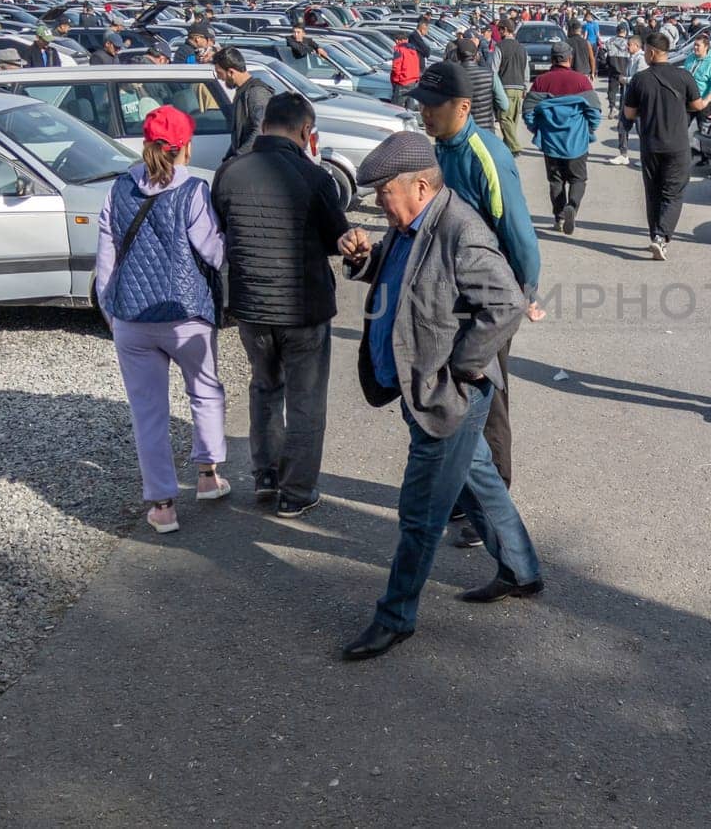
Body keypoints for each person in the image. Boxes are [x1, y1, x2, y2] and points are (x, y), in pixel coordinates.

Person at [335, 132, 541, 661]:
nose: (378, 202)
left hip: (446, 397)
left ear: (421, 185)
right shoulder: (410, 226)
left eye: (384, 192)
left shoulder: (460, 231)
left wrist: (463, 369)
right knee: (483, 484)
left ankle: (395, 617)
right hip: (421, 388)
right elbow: (397, 276)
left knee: (419, 514)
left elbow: (507, 304)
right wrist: (362, 259)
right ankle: (521, 570)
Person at [410, 60, 543, 547]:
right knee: (453, 396)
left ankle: (493, 502)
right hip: (450, 296)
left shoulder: (485, 155)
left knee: (488, 401)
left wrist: (525, 294)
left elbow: (520, 234)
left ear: (462, 107)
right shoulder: (440, 147)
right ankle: (464, 498)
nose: (424, 113)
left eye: (432, 106)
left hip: (489, 299)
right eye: (420, 105)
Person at [211, 92, 351, 519]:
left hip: (251, 306)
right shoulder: (315, 177)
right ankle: (297, 490)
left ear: (265, 123)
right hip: (303, 306)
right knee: (306, 399)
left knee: (264, 387)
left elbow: (219, 231)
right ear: (307, 132)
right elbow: (337, 240)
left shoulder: (229, 173)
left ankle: (266, 475)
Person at [94, 105, 230, 535]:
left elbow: (105, 260)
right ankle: (208, 476)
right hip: (185, 314)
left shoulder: (118, 189)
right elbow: (213, 252)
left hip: (132, 318)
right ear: (185, 146)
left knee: (148, 411)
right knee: (205, 391)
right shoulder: (193, 191)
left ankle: (163, 505)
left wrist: (112, 312)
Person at [623, 32, 709, 260]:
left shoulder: (640, 80)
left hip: (650, 145)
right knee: (673, 192)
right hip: (678, 144)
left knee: (653, 192)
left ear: (651, 52)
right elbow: (698, 105)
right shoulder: (684, 76)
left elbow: (629, 113)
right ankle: (661, 237)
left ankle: (655, 236)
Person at [524, 42, 602, 234]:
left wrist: (537, 129)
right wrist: (589, 129)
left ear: (552, 59)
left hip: (550, 141)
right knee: (578, 179)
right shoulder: (581, 81)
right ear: (570, 58)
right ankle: (572, 207)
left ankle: (559, 217)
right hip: (577, 141)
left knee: (556, 180)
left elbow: (528, 111)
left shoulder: (541, 81)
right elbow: (595, 112)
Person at [215, 46, 271, 157]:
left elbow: (260, 130)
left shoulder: (256, 93)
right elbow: (239, 133)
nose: (219, 77)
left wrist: (238, 158)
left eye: (220, 73)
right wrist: (229, 157)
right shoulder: (242, 91)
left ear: (231, 72)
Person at [452, 36, 506, 135]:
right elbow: (504, 105)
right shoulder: (490, 75)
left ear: (458, 56)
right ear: (476, 55)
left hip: (461, 132)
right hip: (485, 132)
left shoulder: (452, 77)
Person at [608, 34, 647, 166]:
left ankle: (644, 157)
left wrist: (624, 80)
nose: (627, 47)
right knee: (622, 126)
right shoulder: (630, 58)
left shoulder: (641, 59)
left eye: (629, 45)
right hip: (627, 98)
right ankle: (623, 154)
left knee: (642, 130)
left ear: (636, 46)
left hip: (639, 101)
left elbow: (639, 78)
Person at [493, 18, 529, 154]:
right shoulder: (522, 48)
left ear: (505, 30)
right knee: (513, 119)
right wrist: (525, 86)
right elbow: (526, 69)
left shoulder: (499, 47)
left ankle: (514, 147)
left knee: (504, 118)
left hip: (504, 87)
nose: (498, 32)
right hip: (519, 87)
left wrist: (493, 89)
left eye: (499, 30)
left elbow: (493, 70)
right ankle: (508, 146)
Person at [683, 32, 711, 150]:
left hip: (703, 101)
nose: (695, 48)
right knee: (681, 126)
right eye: (694, 45)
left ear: (706, 47)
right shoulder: (690, 59)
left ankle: (704, 156)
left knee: (703, 129)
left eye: (698, 45)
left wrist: (706, 101)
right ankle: (681, 150)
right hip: (688, 100)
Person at [390, 30, 421, 106]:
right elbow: (416, 65)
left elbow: (396, 67)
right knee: (410, 106)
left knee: (395, 107)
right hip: (413, 80)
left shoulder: (399, 50)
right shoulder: (413, 50)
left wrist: (396, 80)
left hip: (403, 82)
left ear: (397, 40)